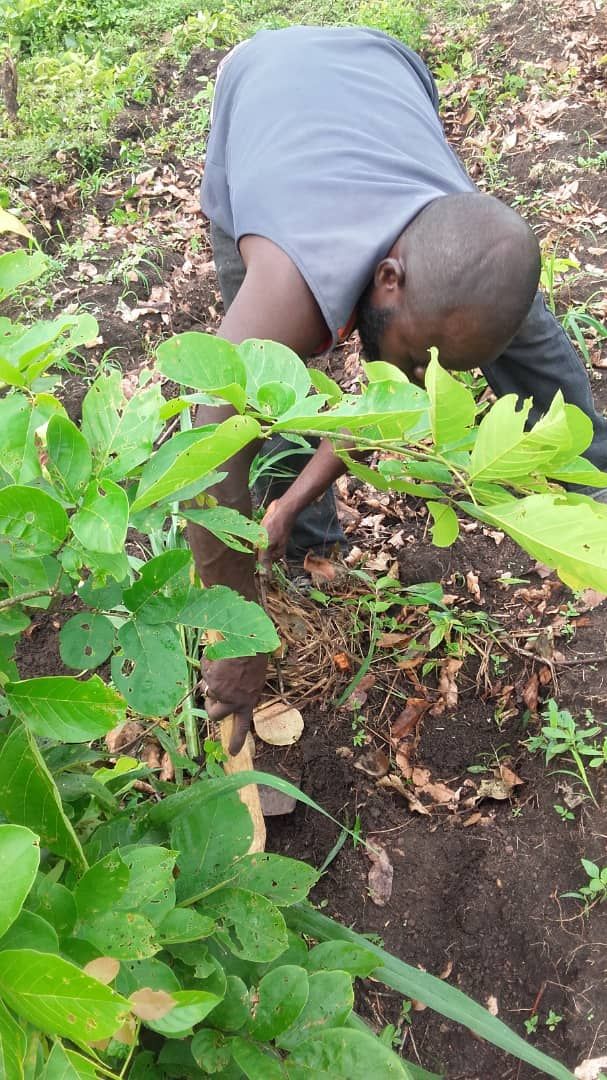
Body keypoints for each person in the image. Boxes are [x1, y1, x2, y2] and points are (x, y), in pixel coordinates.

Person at [189, 25, 607, 753]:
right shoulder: (284, 284)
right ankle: (304, 551)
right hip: (256, 94)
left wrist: (287, 500)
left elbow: (395, 394)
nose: (421, 383)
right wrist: (236, 631)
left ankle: (593, 496)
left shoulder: (466, 257)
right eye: (423, 359)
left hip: (380, 67)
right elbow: (206, 440)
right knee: (266, 397)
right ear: (387, 277)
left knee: (523, 339)